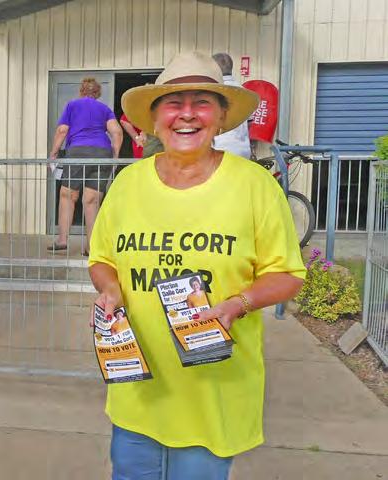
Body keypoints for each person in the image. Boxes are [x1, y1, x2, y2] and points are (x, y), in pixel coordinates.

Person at [88, 51, 305, 479]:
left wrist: (238, 304)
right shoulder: (128, 183)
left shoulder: (254, 185)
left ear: (221, 117)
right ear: (155, 119)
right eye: (173, 103)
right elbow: (102, 259)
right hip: (139, 392)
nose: (186, 114)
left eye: (202, 102)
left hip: (214, 394)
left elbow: (287, 274)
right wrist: (110, 288)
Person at [47, 77, 123, 255]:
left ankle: (62, 240)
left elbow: (62, 130)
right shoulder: (104, 109)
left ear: (81, 91)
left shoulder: (72, 105)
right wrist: (114, 157)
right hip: (102, 153)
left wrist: (53, 152)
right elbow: (117, 132)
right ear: (98, 93)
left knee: (68, 195)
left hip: (78, 152)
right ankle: (91, 246)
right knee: (92, 200)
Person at [211, 53, 252, 159]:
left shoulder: (213, 92)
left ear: (214, 67)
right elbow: (250, 122)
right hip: (243, 150)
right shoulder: (244, 91)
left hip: (219, 149)